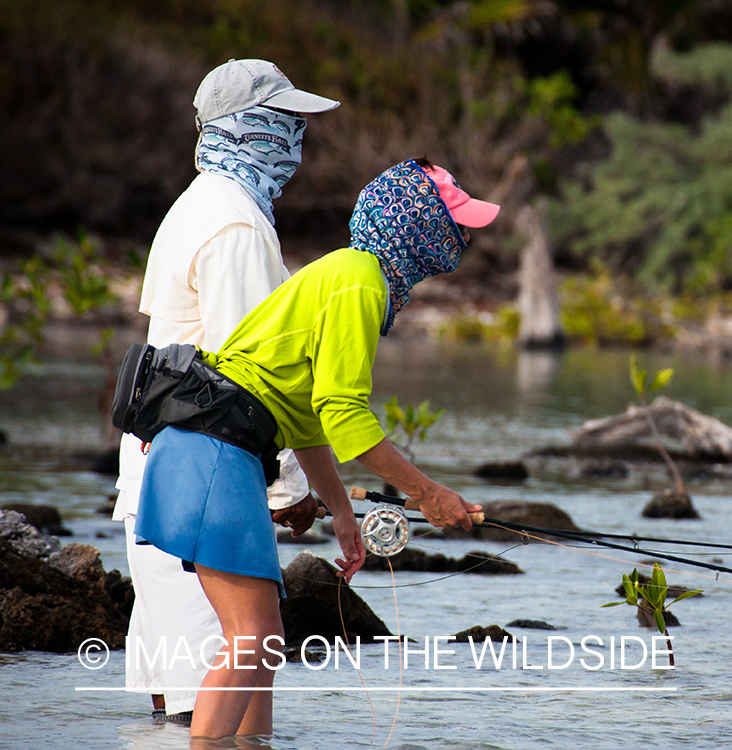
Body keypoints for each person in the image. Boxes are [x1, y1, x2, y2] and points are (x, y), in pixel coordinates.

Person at [133, 157, 499, 739]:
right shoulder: (362, 280)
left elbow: (306, 417)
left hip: (205, 453)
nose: (461, 239)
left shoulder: (346, 272)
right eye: (453, 224)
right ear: (417, 226)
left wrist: (344, 514)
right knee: (254, 638)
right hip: (213, 453)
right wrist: (429, 494)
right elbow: (345, 414)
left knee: (261, 641)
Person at [114, 59, 338, 722]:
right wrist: (291, 492)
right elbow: (256, 373)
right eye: (284, 122)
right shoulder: (237, 226)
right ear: (247, 128)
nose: (296, 139)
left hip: (158, 476)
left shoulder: (197, 204)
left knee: (173, 710)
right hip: (204, 489)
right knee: (213, 712)